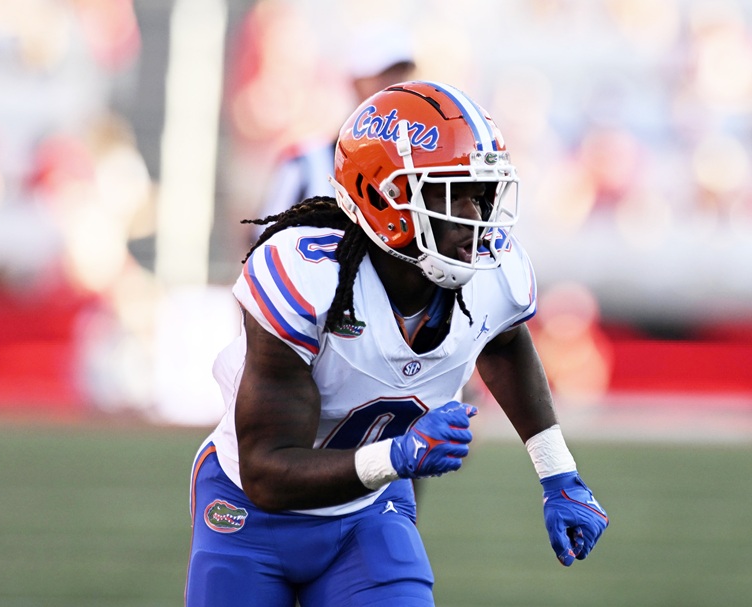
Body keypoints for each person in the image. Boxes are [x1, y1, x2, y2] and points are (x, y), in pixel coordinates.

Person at [186, 81, 609, 606]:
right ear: (384, 195)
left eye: (480, 194)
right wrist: (401, 454)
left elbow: (504, 341)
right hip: (248, 513)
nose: (475, 218)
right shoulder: (304, 277)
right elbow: (268, 472)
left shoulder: (491, 272)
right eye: (453, 193)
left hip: (367, 514)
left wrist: (559, 473)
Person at [251, 31, 416, 236]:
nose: (393, 85)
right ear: (355, 83)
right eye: (383, 75)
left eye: (401, 75)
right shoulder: (304, 162)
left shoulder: (420, 162)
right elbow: (264, 242)